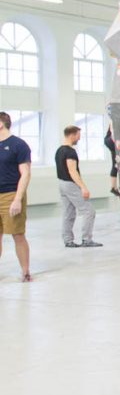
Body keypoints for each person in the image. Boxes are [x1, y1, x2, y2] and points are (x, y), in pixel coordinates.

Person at [55, 125, 102, 248]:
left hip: (61, 184)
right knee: (89, 211)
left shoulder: (59, 150)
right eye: (78, 136)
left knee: (68, 213)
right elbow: (72, 171)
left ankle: (68, 240)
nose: (79, 139)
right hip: (70, 184)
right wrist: (83, 187)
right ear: (72, 135)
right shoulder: (70, 151)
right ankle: (87, 239)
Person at [0, 111, 32, 282]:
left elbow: (25, 174)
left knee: (17, 234)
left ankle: (25, 272)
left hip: (11, 194)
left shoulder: (18, 145)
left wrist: (17, 199)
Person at [104, 123, 120, 197]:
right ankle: (114, 188)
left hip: (112, 143)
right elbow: (112, 127)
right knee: (116, 165)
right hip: (111, 140)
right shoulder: (115, 117)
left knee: (115, 165)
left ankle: (114, 187)